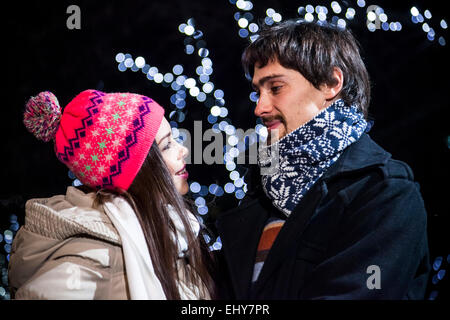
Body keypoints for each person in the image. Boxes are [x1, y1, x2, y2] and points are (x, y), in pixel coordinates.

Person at [216, 19, 430, 299]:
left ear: (331, 83)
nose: (260, 108)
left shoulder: (385, 191)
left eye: (276, 88)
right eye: (258, 92)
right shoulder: (263, 191)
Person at [9, 89, 216, 299]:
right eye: (167, 145)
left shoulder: (172, 234)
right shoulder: (88, 263)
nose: (184, 150)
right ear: (137, 172)